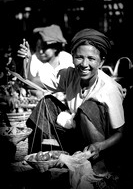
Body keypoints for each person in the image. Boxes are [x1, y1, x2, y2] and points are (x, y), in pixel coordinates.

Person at [26, 28, 125, 188]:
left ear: (101, 62)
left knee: (88, 108)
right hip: (78, 139)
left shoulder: (109, 89)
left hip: (100, 149)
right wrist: (30, 56)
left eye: (91, 59)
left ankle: (99, 174)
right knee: (47, 103)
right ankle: (39, 161)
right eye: (79, 57)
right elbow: (32, 81)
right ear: (72, 57)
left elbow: (121, 134)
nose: (84, 64)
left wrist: (100, 146)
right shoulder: (69, 75)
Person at [17, 24, 74, 100]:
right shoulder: (35, 58)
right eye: (39, 47)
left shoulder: (65, 58)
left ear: (55, 48)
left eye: (44, 48)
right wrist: (28, 59)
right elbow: (30, 83)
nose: (40, 51)